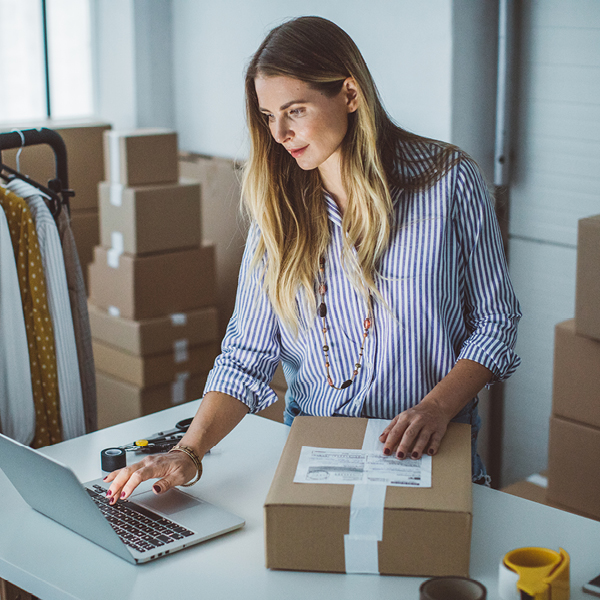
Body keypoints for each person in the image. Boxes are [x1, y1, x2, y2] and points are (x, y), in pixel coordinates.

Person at [105, 15, 521, 503]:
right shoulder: (278, 209)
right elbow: (246, 356)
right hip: (317, 452)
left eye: (295, 110)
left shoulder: (449, 181)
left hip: (431, 448)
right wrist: (189, 453)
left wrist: (435, 407)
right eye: (267, 116)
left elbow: (496, 323)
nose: (279, 133)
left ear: (349, 94)